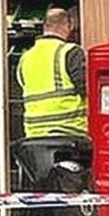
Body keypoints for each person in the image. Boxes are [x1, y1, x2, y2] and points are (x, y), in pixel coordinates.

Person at [16, 7, 87, 138]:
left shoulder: (25, 57)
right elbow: (87, 89)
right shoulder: (70, 52)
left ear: (45, 26)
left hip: (34, 135)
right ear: (68, 26)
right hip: (70, 132)